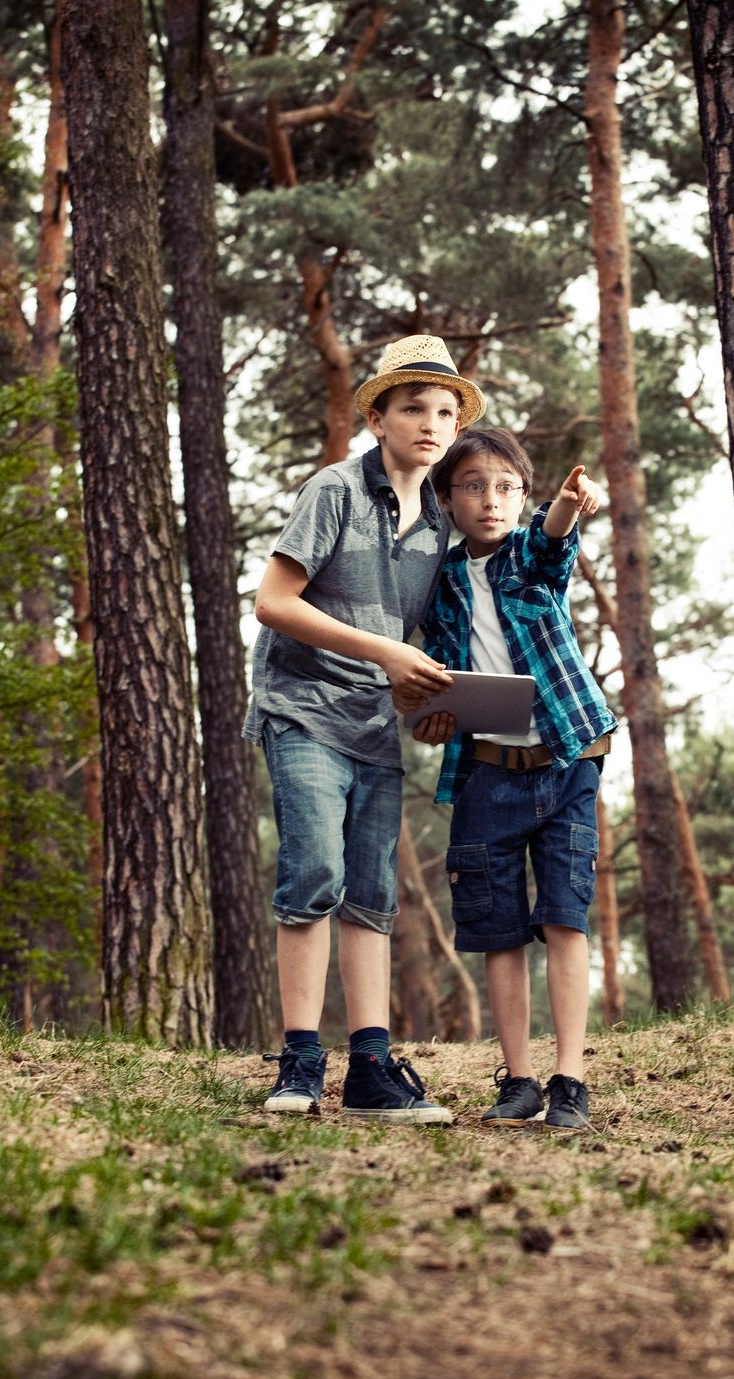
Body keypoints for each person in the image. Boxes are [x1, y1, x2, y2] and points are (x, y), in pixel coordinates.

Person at [244, 334, 487, 1123]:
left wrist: (435, 704)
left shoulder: (443, 528)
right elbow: (274, 603)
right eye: (413, 406)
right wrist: (387, 651)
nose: (431, 422)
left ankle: (373, 1069)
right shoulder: (335, 492)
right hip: (303, 708)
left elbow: (429, 647)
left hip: (374, 725)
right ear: (377, 415)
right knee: (314, 873)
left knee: (373, 895)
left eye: (445, 411)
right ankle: (301, 1062)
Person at [395, 428, 616, 1132]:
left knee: (563, 916)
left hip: (569, 760)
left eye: (505, 487)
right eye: (472, 487)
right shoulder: (440, 584)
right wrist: (431, 719)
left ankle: (570, 1080)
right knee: (495, 930)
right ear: (447, 501)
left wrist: (569, 505)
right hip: (487, 772)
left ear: (523, 496)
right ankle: (519, 1078)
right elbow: (436, 681)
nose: (490, 500)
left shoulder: (531, 557)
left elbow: (554, 541)